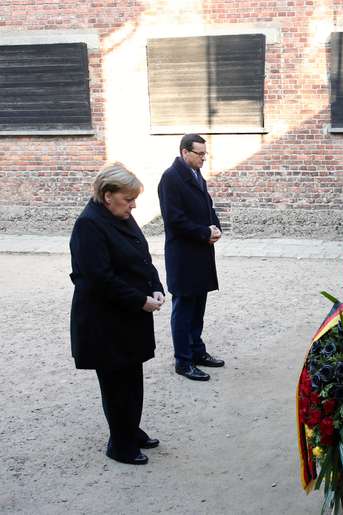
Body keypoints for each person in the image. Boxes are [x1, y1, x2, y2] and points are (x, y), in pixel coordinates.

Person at [69, 162, 165, 465]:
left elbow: (141, 256)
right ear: (108, 195)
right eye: (128, 199)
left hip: (127, 315)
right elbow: (99, 278)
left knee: (132, 376)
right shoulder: (89, 224)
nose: (133, 205)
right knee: (115, 383)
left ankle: (130, 429)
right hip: (104, 321)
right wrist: (140, 300)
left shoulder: (119, 214)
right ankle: (120, 444)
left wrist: (155, 285)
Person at [158, 134, 224, 382]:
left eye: (205, 154)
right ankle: (183, 361)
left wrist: (215, 227)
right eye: (200, 154)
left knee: (198, 307)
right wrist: (203, 232)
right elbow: (174, 219)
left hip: (200, 251)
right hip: (184, 254)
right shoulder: (171, 178)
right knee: (184, 307)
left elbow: (208, 206)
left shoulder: (197, 176)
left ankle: (197, 351)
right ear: (185, 152)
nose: (203, 158)